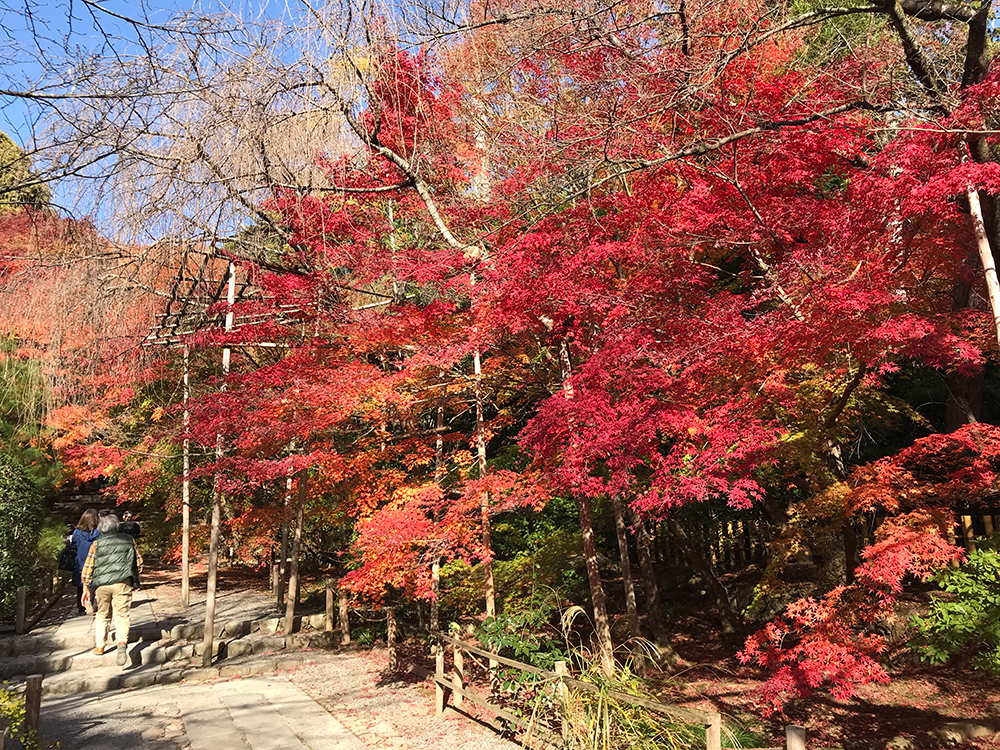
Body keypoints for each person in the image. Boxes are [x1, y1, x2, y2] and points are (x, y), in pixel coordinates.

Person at [81, 513, 142, 666]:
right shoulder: (128, 540)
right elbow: (139, 562)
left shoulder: (96, 544)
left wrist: (85, 587)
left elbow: (88, 566)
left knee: (102, 614)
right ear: (117, 526)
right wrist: (134, 576)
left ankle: (100, 645)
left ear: (101, 528)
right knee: (122, 614)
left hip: (101, 584)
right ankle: (121, 643)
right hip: (122, 582)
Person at [71, 509, 101, 615]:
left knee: (81, 584)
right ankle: (92, 602)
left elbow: (73, 546)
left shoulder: (77, 533)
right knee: (95, 582)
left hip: (81, 560)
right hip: (95, 559)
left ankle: (81, 606)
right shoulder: (99, 533)